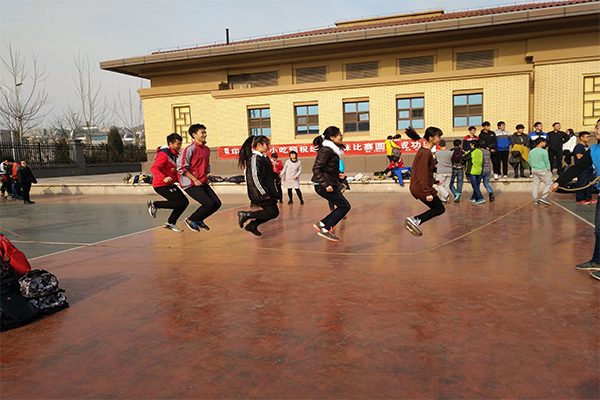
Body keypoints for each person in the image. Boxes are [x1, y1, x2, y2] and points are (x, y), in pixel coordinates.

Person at [550, 119, 600, 279]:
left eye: (598, 128)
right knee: (598, 231)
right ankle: (597, 261)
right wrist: (559, 182)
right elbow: (577, 168)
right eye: (595, 127)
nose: (594, 131)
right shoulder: (593, 149)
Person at [177, 124, 221, 232]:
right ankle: (191, 220)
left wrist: (206, 177)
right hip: (191, 183)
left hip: (202, 182)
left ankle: (199, 219)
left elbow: (205, 165)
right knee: (208, 203)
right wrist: (194, 179)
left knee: (217, 203)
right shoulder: (189, 149)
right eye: (202, 133)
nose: (205, 135)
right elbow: (181, 168)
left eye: (205, 132)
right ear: (194, 135)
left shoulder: (206, 149)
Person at [404, 126, 446, 236]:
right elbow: (422, 173)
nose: (440, 139)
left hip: (420, 185)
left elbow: (426, 172)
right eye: (438, 137)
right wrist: (427, 192)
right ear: (431, 138)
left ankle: (416, 220)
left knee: (437, 208)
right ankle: (415, 219)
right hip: (420, 187)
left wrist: (434, 182)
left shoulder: (425, 151)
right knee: (439, 208)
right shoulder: (426, 153)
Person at [311, 126, 351, 242]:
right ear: (332, 137)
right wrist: (326, 184)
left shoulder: (331, 150)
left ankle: (322, 224)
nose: (341, 136)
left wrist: (339, 174)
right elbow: (316, 168)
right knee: (345, 206)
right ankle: (325, 229)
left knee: (342, 205)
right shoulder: (326, 150)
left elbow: (329, 168)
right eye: (339, 135)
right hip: (323, 185)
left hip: (328, 183)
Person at [237, 135, 279, 236]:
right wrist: (263, 193)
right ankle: (247, 215)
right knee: (272, 213)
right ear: (259, 145)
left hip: (267, 190)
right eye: (267, 144)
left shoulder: (263, 157)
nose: (268, 147)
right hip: (260, 192)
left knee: (273, 213)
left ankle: (252, 224)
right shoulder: (255, 158)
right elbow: (255, 177)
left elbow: (265, 173)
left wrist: (276, 175)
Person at [147, 133, 189, 232]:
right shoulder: (164, 154)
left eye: (180, 144)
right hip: (160, 185)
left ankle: (171, 223)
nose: (179, 146)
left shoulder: (174, 155)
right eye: (177, 144)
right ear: (170, 143)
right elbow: (154, 168)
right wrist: (163, 177)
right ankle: (155, 204)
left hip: (169, 184)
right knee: (179, 203)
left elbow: (175, 171)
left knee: (184, 203)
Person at [572, 131, 595, 205]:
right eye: (587, 137)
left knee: (590, 183)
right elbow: (579, 156)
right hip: (582, 168)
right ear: (581, 138)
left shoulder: (587, 146)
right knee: (582, 183)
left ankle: (588, 198)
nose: (589, 138)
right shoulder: (579, 146)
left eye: (589, 137)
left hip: (589, 167)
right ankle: (580, 199)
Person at [529, 137, 552, 206]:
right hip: (543, 169)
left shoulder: (531, 151)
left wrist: (533, 167)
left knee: (535, 185)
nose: (545, 144)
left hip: (534, 170)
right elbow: (546, 161)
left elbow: (529, 161)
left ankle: (535, 200)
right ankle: (544, 197)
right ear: (541, 142)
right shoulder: (544, 151)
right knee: (549, 183)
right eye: (544, 142)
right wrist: (549, 169)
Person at [462, 139, 485, 204]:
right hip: (479, 170)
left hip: (472, 170)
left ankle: (481, 198)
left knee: (475, 186)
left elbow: (464, 157)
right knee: (477, 185)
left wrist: (464, 153)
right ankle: (473, 197)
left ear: (473, 145)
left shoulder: (472, 151)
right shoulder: (480, 151)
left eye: (471, 144)